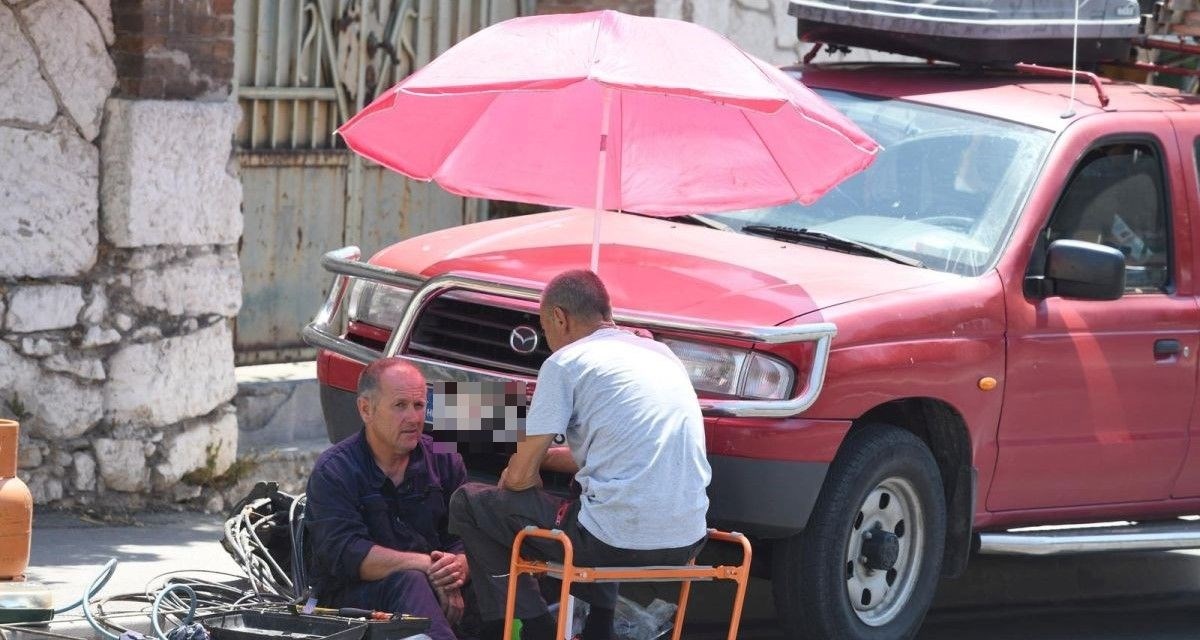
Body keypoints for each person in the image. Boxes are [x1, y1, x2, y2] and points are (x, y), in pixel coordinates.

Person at [448, 269, 712, 640]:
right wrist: (544, 458)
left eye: (545, 328)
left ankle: (529, 628)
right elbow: (618, 456)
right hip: (687, 540)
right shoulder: (662, 355)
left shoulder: (567, 362)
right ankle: (598, 629)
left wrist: (518, 466)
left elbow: (520, 478)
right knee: (591, 496)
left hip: (611, 543)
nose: (549, 340)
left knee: (471, 503)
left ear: (559, 317)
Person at [305, 358, 471, 640]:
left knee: (499, 578)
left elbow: (465, 534)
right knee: (410, 581)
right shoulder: (334, 470)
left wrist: (458, 566)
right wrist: (426, 565)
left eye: (419, 406)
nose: (414, 418)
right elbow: (347, 554)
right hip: (352, 602)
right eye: (400, 406)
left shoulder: (445, 459)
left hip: (435, 588)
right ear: (366, 409)